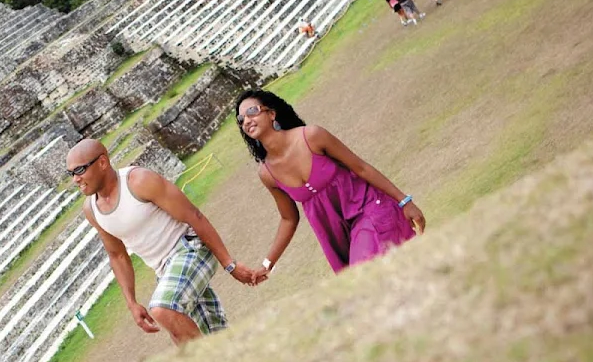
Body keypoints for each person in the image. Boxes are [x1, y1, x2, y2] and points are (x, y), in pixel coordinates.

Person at [69, 139, 255, 345]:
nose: (75, 179)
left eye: (79, 170)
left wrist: (230, 264)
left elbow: (194, 216)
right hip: (165, 272)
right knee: (205, 335)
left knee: (163, 309)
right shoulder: (91, 209)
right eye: (71, 173)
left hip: (191, 248)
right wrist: (131, 303)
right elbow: (117, 255)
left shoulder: (138, 181)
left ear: (102, 162)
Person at [234, 91, 424, 280]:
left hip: (369, 210)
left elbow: (361, 168)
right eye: (241, 119)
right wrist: (267, 264)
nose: (247, 120)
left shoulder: (313, 136)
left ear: (271, 114)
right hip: (337, 241)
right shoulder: (267, 174)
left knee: (364, 277)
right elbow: (288, 219)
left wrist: (404, 201)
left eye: (252, 111)